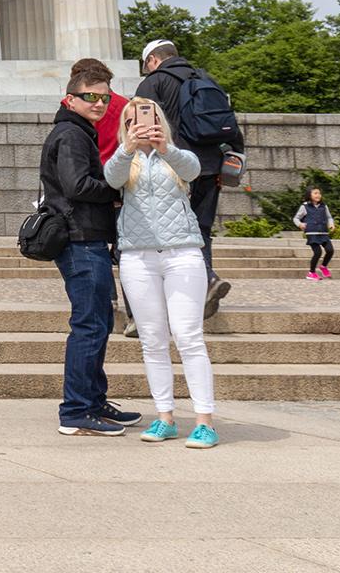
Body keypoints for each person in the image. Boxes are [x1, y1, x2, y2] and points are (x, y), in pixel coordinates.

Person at [104, 97, 219, 448]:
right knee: (152, 341)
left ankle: (204, 421)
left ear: (160, 119)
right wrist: (128, 147)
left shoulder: (176, 155)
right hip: (138, 258)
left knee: (188, 337)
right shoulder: (124, 158)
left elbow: (193, 170)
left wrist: (163, 146)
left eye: (148, 116)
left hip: (182, 253)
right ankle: (164, 416)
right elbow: (111, 178)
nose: (140, 122)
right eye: (131, 119)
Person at [43, 58, 141, 437]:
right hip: (79, 238)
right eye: (89, 97)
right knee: (89, 325)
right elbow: (77, 186)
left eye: (103, 98)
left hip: (87, 237)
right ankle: (77, 409)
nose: (99, 104)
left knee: (97, 323)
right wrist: (117, 191)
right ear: (70, 99)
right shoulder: (70, 135)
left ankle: (95, 401)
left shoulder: (79, 131)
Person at [135, 39, 246, 318]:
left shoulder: (153, 83)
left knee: (171, 233)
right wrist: (230, 165)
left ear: (153, 60)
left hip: (174, 169)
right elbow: (231, 128)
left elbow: (143, 131)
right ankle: (202, 286)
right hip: (210, 168)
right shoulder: (206, 80)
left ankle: (204, 281)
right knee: (202, 230)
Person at [297, 187, 335, 280]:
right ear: (309, 195)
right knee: (318, 252)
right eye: (315, 193)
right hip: (312, 233)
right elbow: (296, 218)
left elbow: (329, 217)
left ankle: (323, 266)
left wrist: (331, 224)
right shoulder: (304, 206)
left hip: (323, 233)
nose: (318, 195)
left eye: (319, 193)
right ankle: (311, 273)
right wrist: (300, 224)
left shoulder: (324, 206)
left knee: (330, 250)